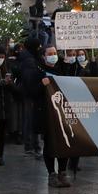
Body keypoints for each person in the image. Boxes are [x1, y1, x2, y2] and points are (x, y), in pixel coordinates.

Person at [35, 44, 75, 186]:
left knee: (66, 142)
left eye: (54, 53)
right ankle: (52, 174)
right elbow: (30, 92)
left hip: (63, 111)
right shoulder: (38, 71)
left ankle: (62, 172)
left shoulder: (62, 69)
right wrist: (42, 85)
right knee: (49, 143)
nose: (53, 55)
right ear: (44, 56)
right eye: (50, 53)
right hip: (46, 113)